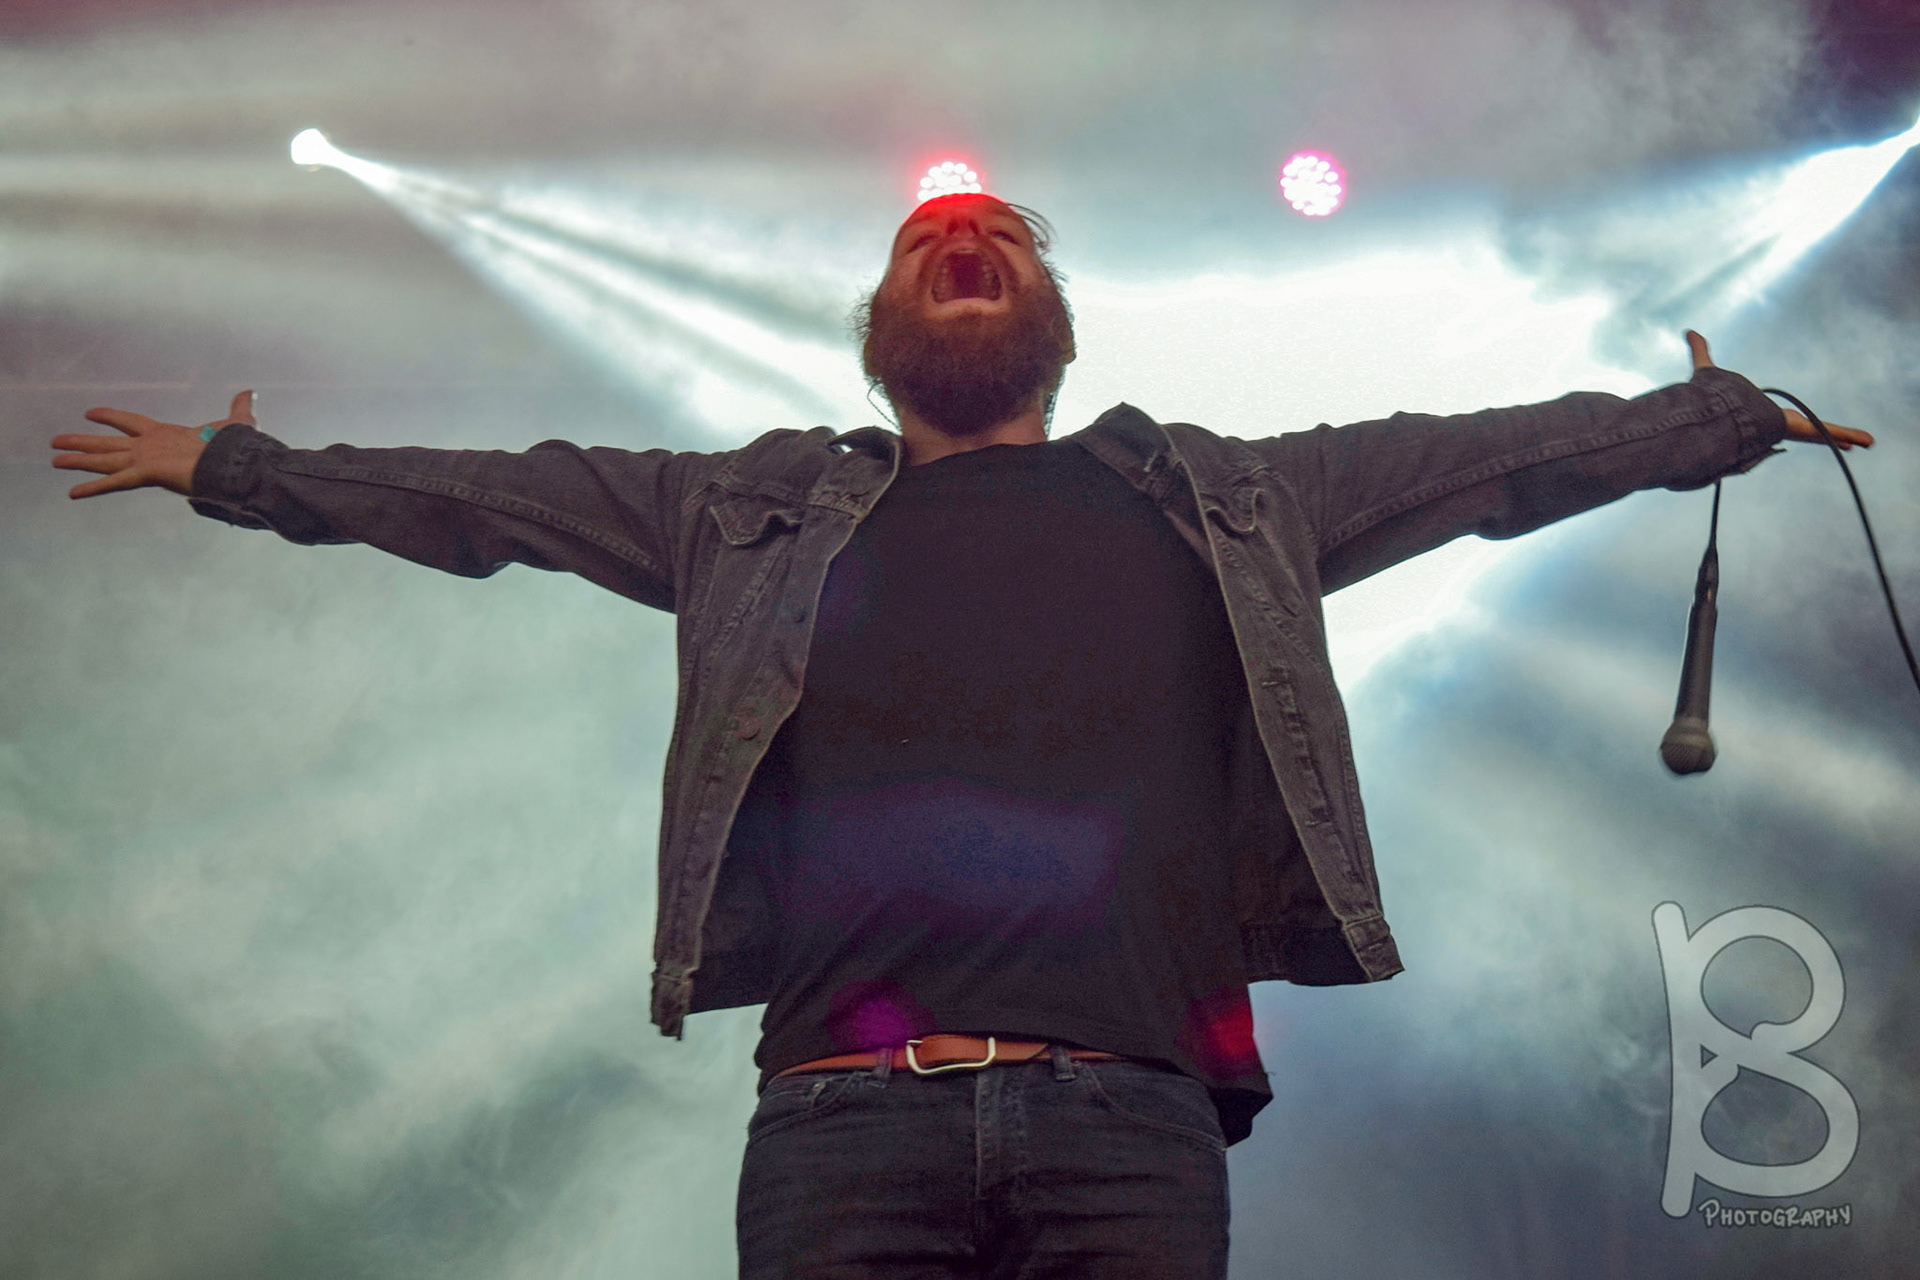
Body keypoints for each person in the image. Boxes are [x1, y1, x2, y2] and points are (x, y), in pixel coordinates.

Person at [50, 192, 1873, 1278]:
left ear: (1055, 327)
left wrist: (1703, 426)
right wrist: (246, 472)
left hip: (1129, 1121)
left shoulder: (1221, 498)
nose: (964, 238)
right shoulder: (746, 514)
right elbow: (500, 502)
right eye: (930, 239)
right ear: (879, 337)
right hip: (841, 1127)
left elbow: (1483, 465)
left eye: (996, 236)